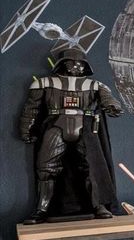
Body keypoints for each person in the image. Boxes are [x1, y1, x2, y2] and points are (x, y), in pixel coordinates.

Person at [19, 47, 122, 223]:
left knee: (92, 167)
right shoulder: (44, 83)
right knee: (46, 168)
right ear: (62, 64)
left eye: (80, 64)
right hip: (56, 125)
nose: (76, 66)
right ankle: (41, 209)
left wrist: (113, 106)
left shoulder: (95, 85)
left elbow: (108, 100)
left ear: (85, 66)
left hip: (85, 127)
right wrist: (26, 129)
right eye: (72, 63)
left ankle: (98, 205)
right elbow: (31, 110)